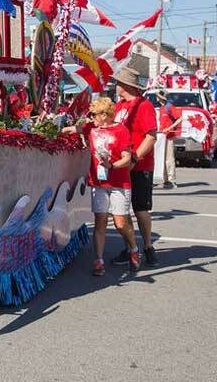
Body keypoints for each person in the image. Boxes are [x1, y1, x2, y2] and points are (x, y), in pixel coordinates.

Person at [62, 97, 138, 275]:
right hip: (98, 182)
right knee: (100, 221)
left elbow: (127, 158)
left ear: (105, 115)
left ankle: (133, 249)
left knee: (120, 223)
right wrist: (57, 129)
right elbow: (72, 129)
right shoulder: (91, 128)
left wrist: (112, 166)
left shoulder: (121, 130)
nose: (92, 117)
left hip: (119, 182)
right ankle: (99, 260)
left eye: (94, 114)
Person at [110, 66, 159, 268]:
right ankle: (130, 247)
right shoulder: (119, 106)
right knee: (122, 210)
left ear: (126, 85)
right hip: (122, 166)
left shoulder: (144, 105)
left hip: (140, 166)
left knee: (140, 210)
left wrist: (135, 159)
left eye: (118, 82)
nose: (115, 85)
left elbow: (151, 136)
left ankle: (148, 247)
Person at [155, 90, 182, 190]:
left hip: (169, 136)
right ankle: (165, 180)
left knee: (169, 158)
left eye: (158, 96)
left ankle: (172, 180)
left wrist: (170, 127)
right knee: (162, 158)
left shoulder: (169, 106)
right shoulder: (161, 108)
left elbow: (179, 118)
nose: (156, 98)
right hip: (162, 136)